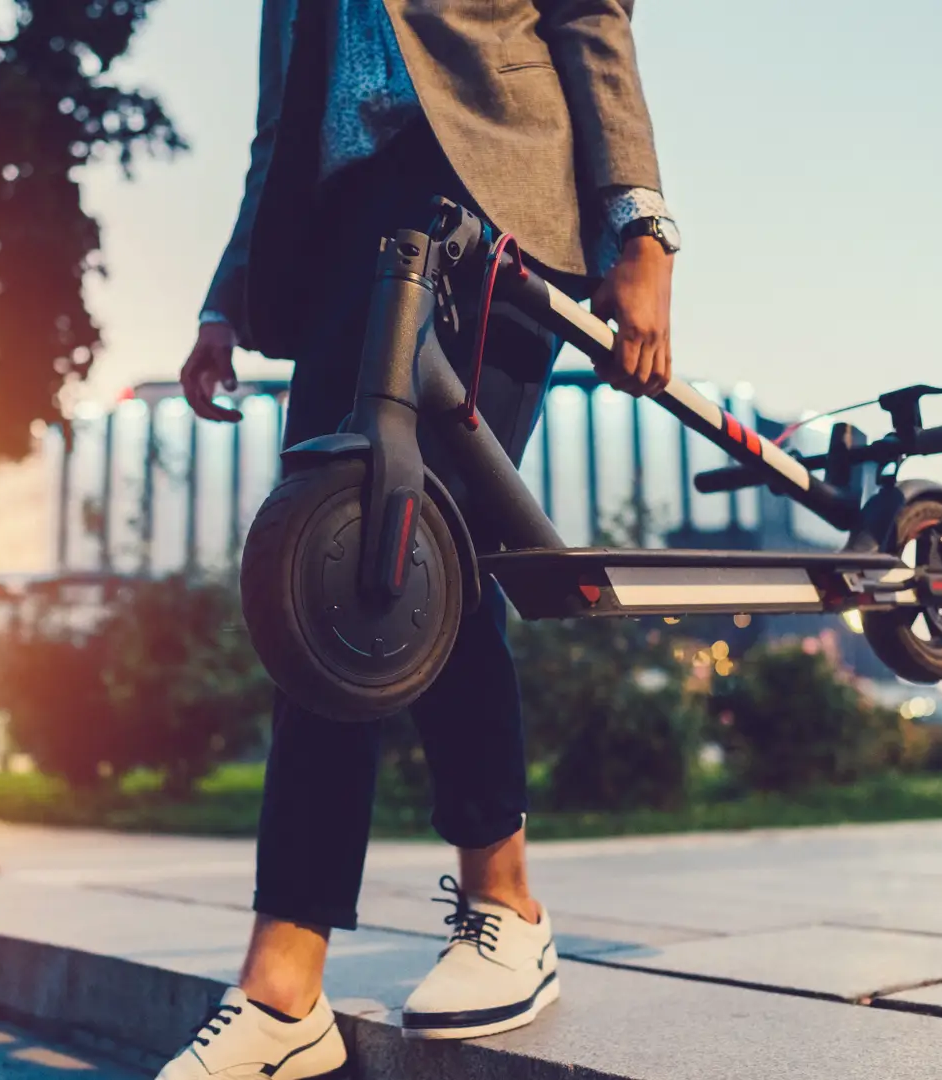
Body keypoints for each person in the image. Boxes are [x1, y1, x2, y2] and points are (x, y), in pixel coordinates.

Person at [164, 2, 676, 1076]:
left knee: (429, 553)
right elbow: (281, 124)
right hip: (346, 230)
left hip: (494, 200)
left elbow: (589, 12)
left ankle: (505, 904)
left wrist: (638, 221)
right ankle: (285, 986)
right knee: (323, 573)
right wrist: (227, 296)